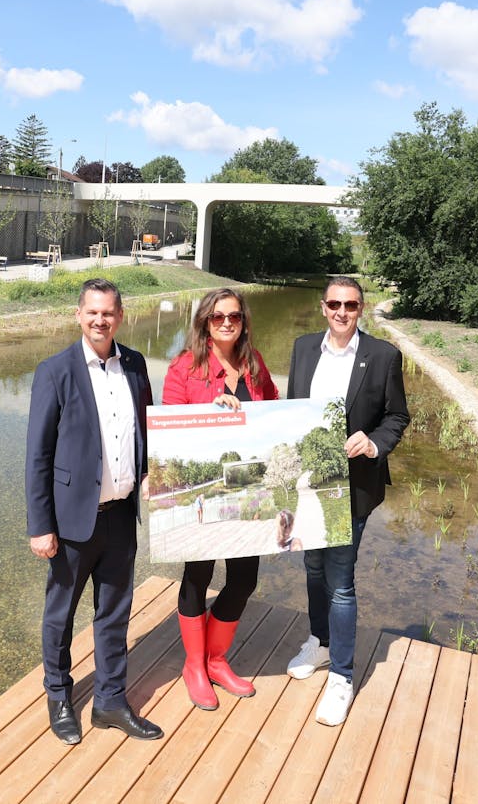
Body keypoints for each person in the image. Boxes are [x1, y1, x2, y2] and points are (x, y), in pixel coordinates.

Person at [25, 278, 163, 746]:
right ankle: (59, 695)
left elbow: (147, 430)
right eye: (92, 312)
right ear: (78, 315)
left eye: (109, 313)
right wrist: (40, 526)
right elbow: (38, 456)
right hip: (71, 520)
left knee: (115, 614)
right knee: (60, 615)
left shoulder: (137, 365)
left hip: (122, 515)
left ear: (121, 316)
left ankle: (109, 701)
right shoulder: (55, 371)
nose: (101, 320)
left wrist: (148, 474)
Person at [284, 275, 410, 726]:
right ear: (323, 307)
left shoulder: (382, 356)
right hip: (307, 483)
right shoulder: (302, 348)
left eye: (351, 306)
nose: (341, 312)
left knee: (340, 580)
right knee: (312, 566)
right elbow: (290, 410)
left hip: (352, 486)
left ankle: (341, 675)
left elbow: (397, 415)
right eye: (334, 304)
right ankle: (319, 642)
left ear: (362, 309)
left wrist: (373, 443)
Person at [162, 287, 280, 711]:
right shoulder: (184, 367)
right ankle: (194, 665)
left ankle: (216, 659)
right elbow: (169, 428)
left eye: (233, 315)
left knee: (245, 579)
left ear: (243, 321)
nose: (226, 322)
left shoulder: (255, 364)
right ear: (204, 323)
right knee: (197, 575)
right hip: (210, 485)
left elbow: (272, 413)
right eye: (217, 317)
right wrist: (210, 413)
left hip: (248, 488)